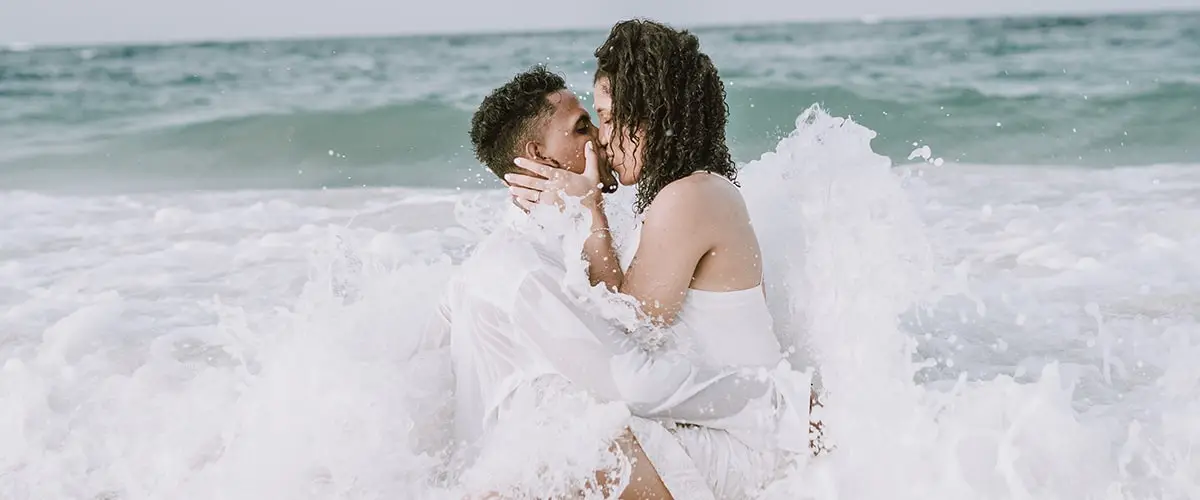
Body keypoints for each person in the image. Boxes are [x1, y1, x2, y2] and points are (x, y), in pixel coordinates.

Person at [424, 65, 812, 500]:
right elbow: (633, 380)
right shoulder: (522, 269)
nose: (602, 138)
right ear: (541, 157)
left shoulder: (592, 232)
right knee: (575, 437)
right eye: (583, 127)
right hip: (517, 470)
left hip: (701, 441)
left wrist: (592, 212)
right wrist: (776, 404)